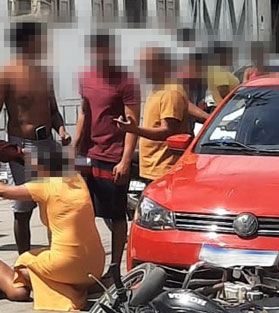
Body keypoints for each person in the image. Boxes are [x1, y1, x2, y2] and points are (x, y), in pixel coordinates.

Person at [0, 141, 105, 311]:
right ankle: (80, 285)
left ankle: (68, 290)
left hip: (67, 265)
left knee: (23, 264)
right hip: (96, 265)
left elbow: (4, 191)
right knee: (43, 254)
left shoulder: (44, 185)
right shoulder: (77, 180)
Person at [0, 22, 71, 255]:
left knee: (58, 203)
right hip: (23, 147)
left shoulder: (45, 72)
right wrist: (6, 149)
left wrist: (62, 130)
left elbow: (53, 110)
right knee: (24, 207)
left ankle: (58, 255)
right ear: (27, 42)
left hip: (49, 143)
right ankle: (24, 263)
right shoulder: (6, 73)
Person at [73, 33, 140, 271]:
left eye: (105, 50)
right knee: (84, 210)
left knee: (115, 214)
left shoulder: (126, 80)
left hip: (113, 154)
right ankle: (89, 263)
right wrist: (74, 146)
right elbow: (84, 112)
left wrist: (124, 161)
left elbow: (132, 124)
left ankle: (115, 266)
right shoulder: (85, 76)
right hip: (87, 154)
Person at [115, 47, 190, 182]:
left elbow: (167, 132)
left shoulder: (171, 93)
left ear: (161, 65)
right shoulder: (158, 89)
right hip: (152, 168)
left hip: (163, 170)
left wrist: (135, 130)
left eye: (147, 65)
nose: (143, 70)